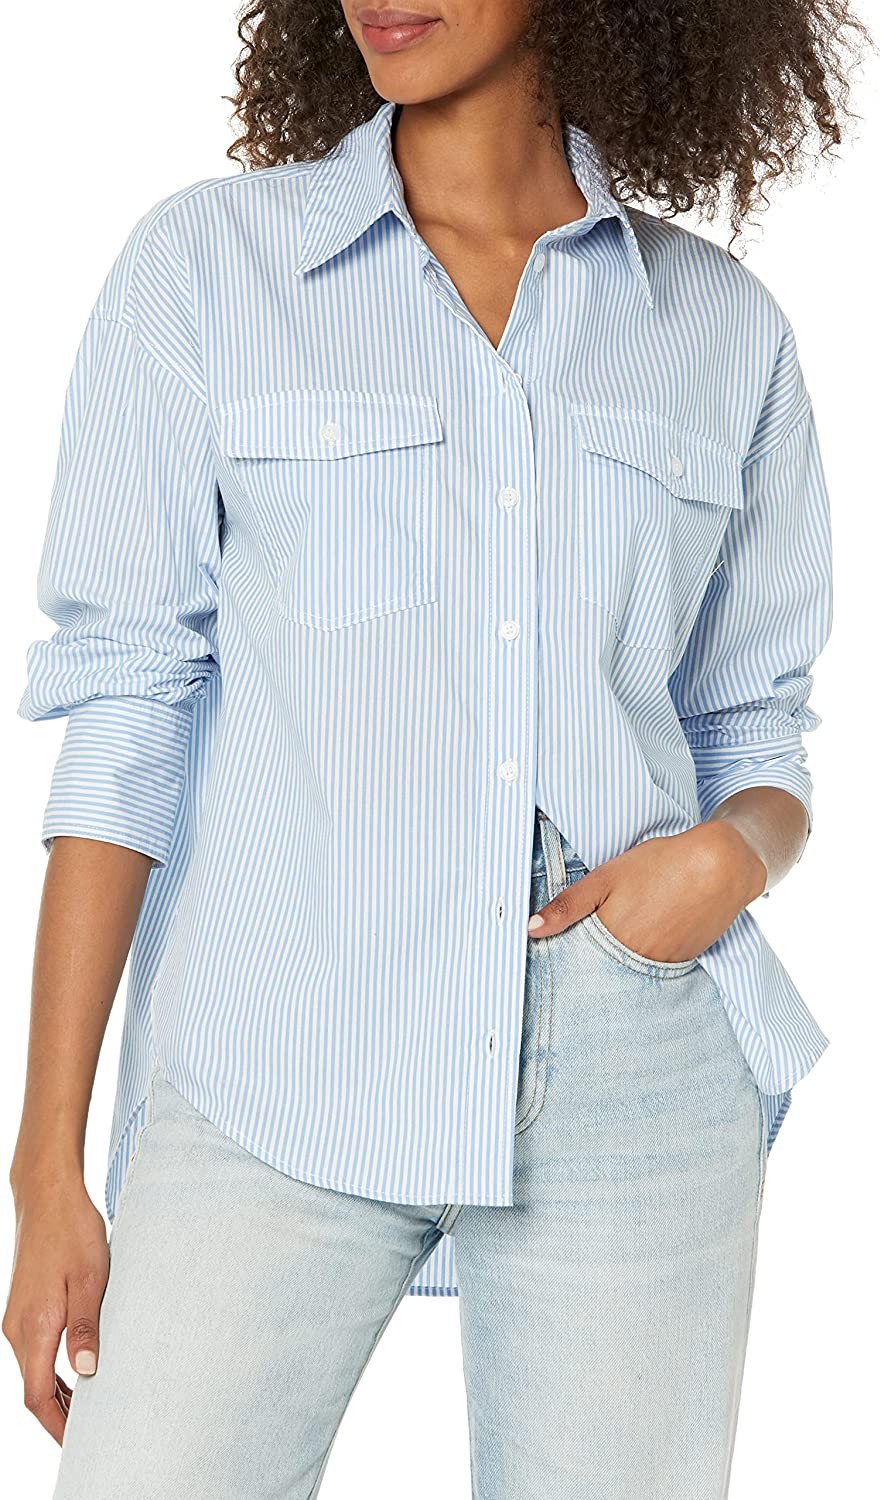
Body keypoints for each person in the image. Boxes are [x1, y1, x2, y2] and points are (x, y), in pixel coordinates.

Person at [4, 2, 866, 1495]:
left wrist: (731, 858)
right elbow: (130, 702)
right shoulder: (207, 269)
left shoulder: (719, 329)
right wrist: (46, 1167)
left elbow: (756, 724)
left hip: (632, 1063)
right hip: (277, 1041)